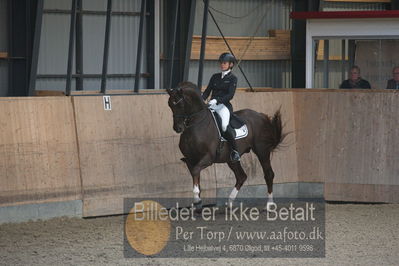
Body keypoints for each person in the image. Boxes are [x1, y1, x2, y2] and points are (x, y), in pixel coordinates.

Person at [202, 52, 240, 162]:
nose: (222, 65)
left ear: (231, 65)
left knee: (224, 126)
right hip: (212, 106)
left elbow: (230, 95)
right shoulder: (215, 77)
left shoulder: (233, 78)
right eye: (221, 63)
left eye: (224, 63)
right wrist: (201, 99)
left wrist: (217, 100)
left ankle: (235, 151)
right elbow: (207, 91)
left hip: (224, 106)